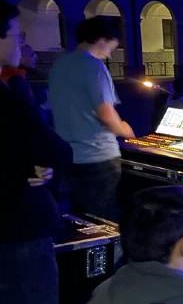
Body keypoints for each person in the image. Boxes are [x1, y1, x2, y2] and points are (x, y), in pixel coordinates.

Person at [0, 0, 73, 304]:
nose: (21, 42)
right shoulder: (9, 94)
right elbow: (54, 149)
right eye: (14, 34)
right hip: (19, 234)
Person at [48, 15, 135, 221]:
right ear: (103, 39)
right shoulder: (94, 67)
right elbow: (105, 112)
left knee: (82, 219)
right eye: (113, 44)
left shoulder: (60, 65)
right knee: (104, 219)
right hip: (98, 156)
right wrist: (124, 129)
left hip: (70, 156)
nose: (112, 50)